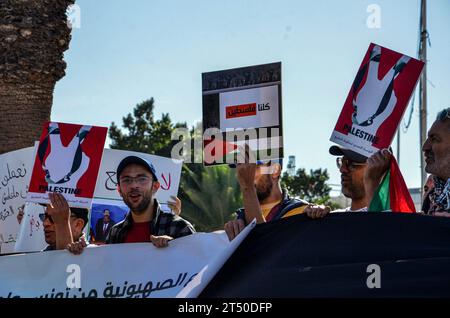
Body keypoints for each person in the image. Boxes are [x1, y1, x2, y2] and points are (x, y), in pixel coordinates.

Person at [67, 156, 195, 254]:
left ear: (155, 186)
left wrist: (175, 248)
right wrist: (82, 254)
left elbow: (198, 272)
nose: (134, 185)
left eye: (142, 178)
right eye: (127, 180)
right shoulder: (115, 232)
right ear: (119, 190)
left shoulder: (179, 227)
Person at [224, 146, 330, 241]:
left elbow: (263, 247)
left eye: (252, 168)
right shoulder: (241, 218)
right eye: (241, 169)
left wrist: (248, 187)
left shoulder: (301, 213)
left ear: (275, 170)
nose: (243, 175)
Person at [363, 108, 450, 215]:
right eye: (428, 139)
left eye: (435, 139)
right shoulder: (432, 197)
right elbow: (386, 229)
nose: (425, 147)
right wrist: (372, 182)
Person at [329, 145, 369, 212]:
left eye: (352, 164)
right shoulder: (333, 218)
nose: (342, 169)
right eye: (341, 162)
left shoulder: (389, 220)